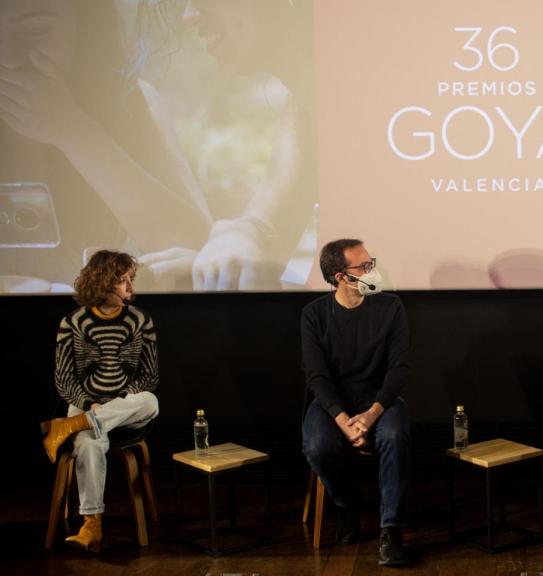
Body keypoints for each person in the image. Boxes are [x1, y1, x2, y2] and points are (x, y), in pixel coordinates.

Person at [0, 0, 212, 291]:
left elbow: (192, 247)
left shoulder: (131, 104)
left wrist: (72, 129)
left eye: (36, 31)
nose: (8, 58)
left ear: (83, 31)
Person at [139, 0, 317, 291]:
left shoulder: (381, 102)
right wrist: (216, 265)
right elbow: (259, 234)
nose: (189, 16)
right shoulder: (304, 108)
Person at [301, 239, 412, 566]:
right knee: (317, 446)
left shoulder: (391, 308)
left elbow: (399, 369)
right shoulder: (314, 315)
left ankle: (391, 527)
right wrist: (344, 420)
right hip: (333, 402)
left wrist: (371, 414)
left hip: (380, 398)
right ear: (340, 277)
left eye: (370, 263)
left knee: (393, 436)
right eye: (363, 267)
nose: (371, 271)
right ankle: (347, 505)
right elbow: (316, 376)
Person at [41, 250, 160, 552]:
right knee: (89, 443)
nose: (130, 288)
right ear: (103, 283)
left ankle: (67, 426)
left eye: (131, 280)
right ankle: (91, 525)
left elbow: (149, 376)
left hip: (125, 407)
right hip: (84, 403)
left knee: (150, 401)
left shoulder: (141, 320)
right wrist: (87, 403)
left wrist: (114, 404)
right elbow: (64, 379)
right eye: (123, 282)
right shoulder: (73, 323)